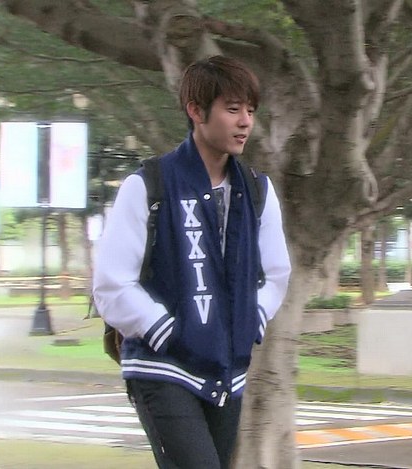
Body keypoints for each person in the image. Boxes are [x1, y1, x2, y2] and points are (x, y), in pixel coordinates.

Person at [93, 55, 291, 469]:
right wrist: (166, 331)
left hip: (228, 373)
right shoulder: (148, 184)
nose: (245, 122)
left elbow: (276, 274)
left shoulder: (257, 190)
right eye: (232, 109)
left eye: (250, 110)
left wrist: (249, 321)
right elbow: (112, 284)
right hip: (162, 368)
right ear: (196, 111)